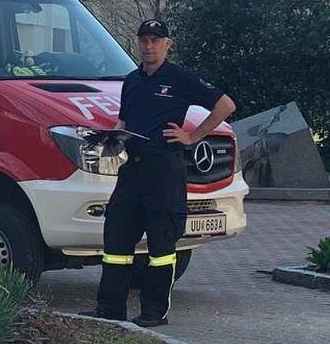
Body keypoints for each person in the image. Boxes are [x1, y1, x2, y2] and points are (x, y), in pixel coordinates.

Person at [95, 18, 235, 327]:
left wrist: (192, 136)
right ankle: (109, 308)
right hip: (133, 170)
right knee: (116, 238)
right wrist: (111, 140)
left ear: (167, 44)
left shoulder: (180, 78)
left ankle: (153, 313)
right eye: (144, 40)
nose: (149, 46)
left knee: (161, 245)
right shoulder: (132, 80)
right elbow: (124, 122)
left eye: (155, 40)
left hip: (164, 171)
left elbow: (226, 106)